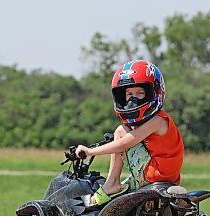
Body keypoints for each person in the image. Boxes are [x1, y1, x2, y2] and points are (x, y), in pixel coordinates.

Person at [76, 60, 184, 205]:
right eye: (129, 94)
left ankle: (112, 182)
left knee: (121, 131)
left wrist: (90, 151)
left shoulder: (157, 121)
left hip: (154, 175)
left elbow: (124, 144)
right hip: (167, 176)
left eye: (140, 93)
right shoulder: (159, 120)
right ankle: (114, 188)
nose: (133, 98)